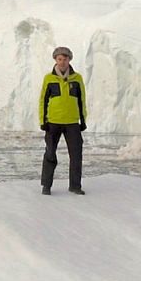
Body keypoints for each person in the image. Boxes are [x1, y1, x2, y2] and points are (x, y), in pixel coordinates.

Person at [38, 46, 87, 195]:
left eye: (65, 59)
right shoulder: (49, 78)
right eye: (59, 59)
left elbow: (82, 100)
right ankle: (46, 186)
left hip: (72, 122)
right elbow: (43, 100)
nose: (62, 62)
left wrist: (83, 120)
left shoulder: (77, 78)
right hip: (53, 122)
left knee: (76, 155)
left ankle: (75, 186)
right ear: (55, 60)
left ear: (69, 60)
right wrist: (43, 121)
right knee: (50, 154)